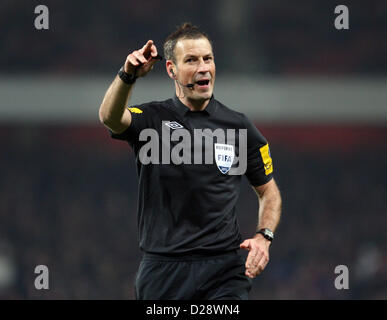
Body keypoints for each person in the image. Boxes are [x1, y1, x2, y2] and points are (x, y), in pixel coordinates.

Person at [99, 23, 282, 300]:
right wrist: (127, 76)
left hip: (224, 270)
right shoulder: (151, 120)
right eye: (192, 60)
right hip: (163, 270)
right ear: (171, 69)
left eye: (208, 58)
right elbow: (110, 118)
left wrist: (263, 236)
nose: (203, 67)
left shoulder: (238, 126)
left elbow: (269, 192)